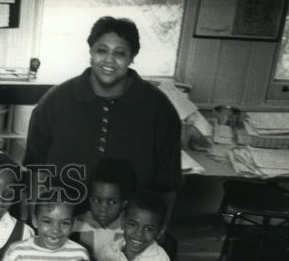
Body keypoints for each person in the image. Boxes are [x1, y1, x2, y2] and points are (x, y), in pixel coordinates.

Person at [23, 16, 180, 205]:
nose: (109, 60)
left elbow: (168, 181)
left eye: (120, 53)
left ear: (132, 57)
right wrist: (35, 210)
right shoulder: (54, 101)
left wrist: (160, 229)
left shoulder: (159, 108)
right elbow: (35, 166)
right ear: (90, 51)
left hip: (131, 227)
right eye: (101, 50)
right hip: (63, 220)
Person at [72, 156, 136, 253]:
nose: (103, 208)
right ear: (89, 198)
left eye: (112, 202)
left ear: (124, 203)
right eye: (97, 200)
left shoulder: (130, 231)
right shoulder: (76, 225)